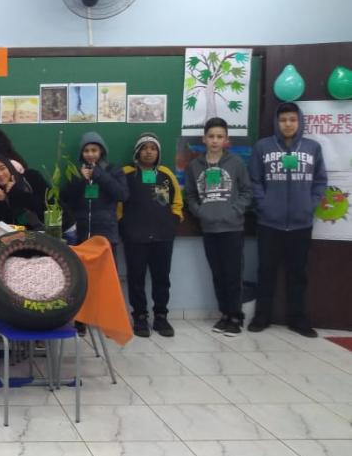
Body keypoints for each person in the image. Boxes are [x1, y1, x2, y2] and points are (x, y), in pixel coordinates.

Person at [248, 102, 327, 337]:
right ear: (276, 122)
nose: (288, 124)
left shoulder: (313, 148)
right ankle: (262, 317)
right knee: (266, 271)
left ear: (299, 121)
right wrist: (264, 206)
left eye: (292, 119)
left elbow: (320, 181)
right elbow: (255, 181)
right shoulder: (263, 147)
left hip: (301, 224)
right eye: (283, 120)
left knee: (298, 274)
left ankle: (298, 319)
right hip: (269, 223)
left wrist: (309, 206)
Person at [183, 117, 253, 337]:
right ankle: (224, 314)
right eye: (211, 136)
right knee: (218, 274)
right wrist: (200, 212)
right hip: (209, 229)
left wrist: (234, 211)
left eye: (219, 137)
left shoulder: (236, 163)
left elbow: (246, 192)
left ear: (226, 140)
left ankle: (236, 317)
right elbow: (191, 195)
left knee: (233, 274)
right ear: (204, 139)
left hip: (232, 228)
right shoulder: (195, 166)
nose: (215, 140)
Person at [119, 132, 183, 338]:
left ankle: (161, 317)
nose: (149, 152)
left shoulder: (165, 174)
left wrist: (174, 219)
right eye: (144, 148)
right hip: (135, 237)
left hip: (163, 236)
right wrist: (123, 224)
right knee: (136, 278)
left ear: (158, 152)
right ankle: (139, 317)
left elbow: (177, 202)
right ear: (137, 151)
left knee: (161, 278)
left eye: (153, 148)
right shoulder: (126, 174)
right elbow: (117, 203)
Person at [60, 131, 129, 248]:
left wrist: (100, 175)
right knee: (82, 266)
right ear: (81, 153)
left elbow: (122, 195)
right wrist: (79, 179)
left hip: (106, 233)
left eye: (94, 150)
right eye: (86, 151)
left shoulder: (113, 170)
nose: (90, 154)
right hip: (81, 233)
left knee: (106, 266)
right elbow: (66, 199)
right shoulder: (76, 172)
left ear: (101, 151)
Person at [0, 154, 45, 229]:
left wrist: (15, 192)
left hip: (44, 231)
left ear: (9, 168)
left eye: (2, 168)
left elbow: (41, 207)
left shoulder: (31, 178)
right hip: (15, 237)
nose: (0, 174)